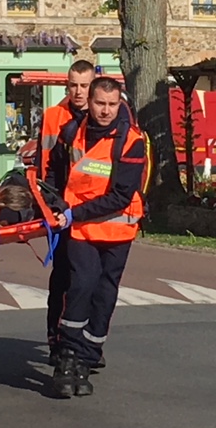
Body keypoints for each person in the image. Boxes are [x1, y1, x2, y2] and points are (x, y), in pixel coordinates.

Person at [47, 77, 146, 397]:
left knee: (104, 295)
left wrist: (74, 212)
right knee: (81, 287)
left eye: (111, 104)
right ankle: (67, 357)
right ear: (88, 102)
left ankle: (87, 357)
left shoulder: (131, 141)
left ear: (120, 104)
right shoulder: (71, 133)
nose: (105, 111)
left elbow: (120, 195)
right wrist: (58, 206)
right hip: (81, 231)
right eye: (99, 103)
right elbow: (55, 175)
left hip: (117, 229)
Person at [40, 59, 95, 365]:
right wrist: (50, 206)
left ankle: (85, 343)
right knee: (62, 277)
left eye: (84, 85)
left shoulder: (105, 115)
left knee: (89, 280)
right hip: (61, 207)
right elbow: (43, 165)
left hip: (90, 209)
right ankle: (55, 338)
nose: (77, 91)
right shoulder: (53, 117)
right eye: (73, 85)